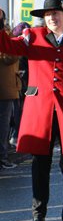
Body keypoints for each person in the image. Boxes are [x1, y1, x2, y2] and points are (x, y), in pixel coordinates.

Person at [0, 0, 63, 221]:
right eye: (48, 14)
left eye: (57, 13)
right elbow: (7, 46)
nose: (52, 17)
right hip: (40, 110)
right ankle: (38, 217)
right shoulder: (32, 36)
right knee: (40, 166)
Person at [0, 10, 20, 169]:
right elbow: (10, 57)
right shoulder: (5, 36)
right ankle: (3, 157)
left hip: (6, 87)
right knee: (3, 125)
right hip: (4, 88)